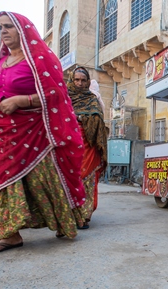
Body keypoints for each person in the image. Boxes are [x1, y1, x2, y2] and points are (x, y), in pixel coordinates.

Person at [0, 11, 87, 252]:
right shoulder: (1, 62)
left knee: (42, 181)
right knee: (5, 179)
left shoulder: (38, 60)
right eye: (0, 27)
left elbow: (57, 94)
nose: (3, 31)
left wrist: (21, 101)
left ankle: (64, 221)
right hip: (5, 132)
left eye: (8, 27)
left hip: (35, 134)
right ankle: (10, 232)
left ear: (22, 30)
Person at [67, 67, 108, 230]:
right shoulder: (65, 98)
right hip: (69, 146)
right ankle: (68, 216)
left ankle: (84, 216)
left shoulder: (92, 99)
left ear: (88, 82)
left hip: (89, 147)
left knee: (88, 181)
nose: (80, 83)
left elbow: (99, 120)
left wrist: (83, 119)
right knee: (69, 181)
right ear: (71, 80)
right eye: (76, 80)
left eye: (83, 80)